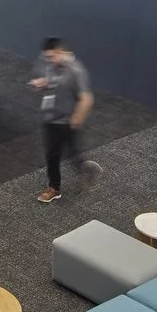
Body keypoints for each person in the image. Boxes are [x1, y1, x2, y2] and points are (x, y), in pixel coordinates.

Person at [30, 37, 97, 204]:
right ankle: (54, 187)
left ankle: (83, 170)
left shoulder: (76, 70)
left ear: (60, 52)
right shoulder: (52, 65)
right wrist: (44, 83)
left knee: (71, 152)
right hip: (51, 117)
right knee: (53, 154)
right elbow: (53, 82)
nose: (48, 61)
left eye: (51, 57)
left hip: (67, 120)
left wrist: (77, 118)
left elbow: (87, 98)